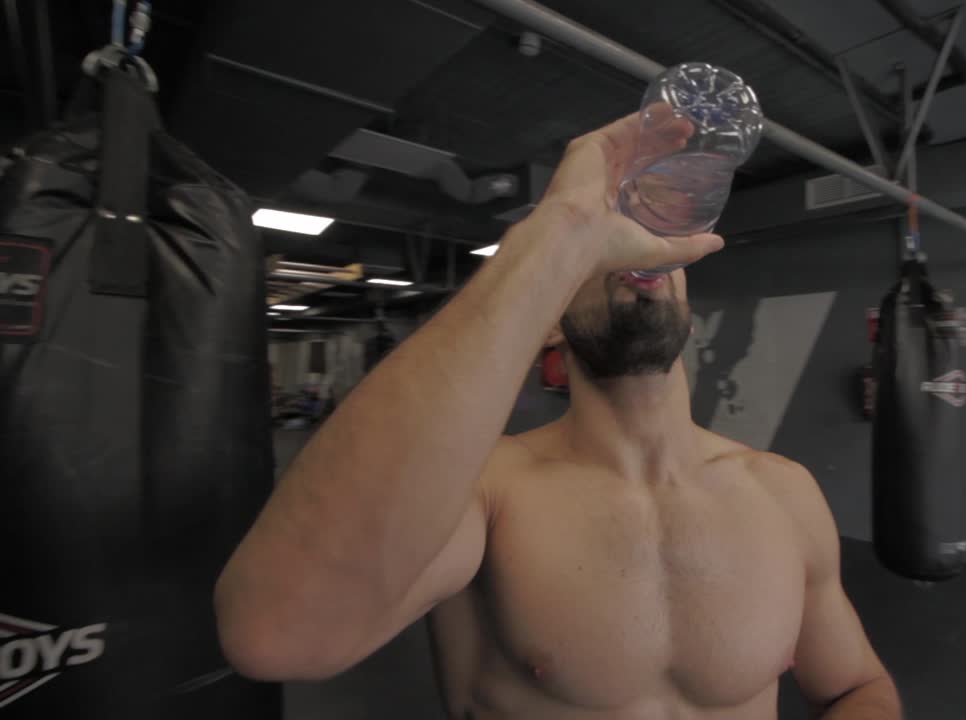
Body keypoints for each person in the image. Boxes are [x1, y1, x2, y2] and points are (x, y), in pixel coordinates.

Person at [214, 111, 901, 719]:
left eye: (647, 238)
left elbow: (855, 688)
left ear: (691, 312)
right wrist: (561, 233)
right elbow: (276, 630)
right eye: (599, 252)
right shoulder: (487, 495)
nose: (633, 252)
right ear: (543, 324)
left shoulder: (784, 492)